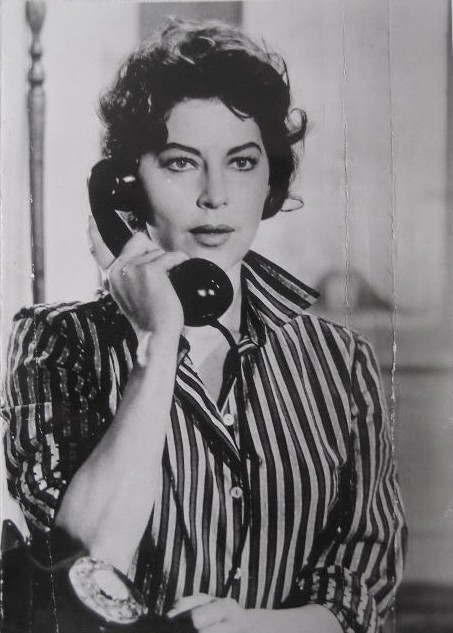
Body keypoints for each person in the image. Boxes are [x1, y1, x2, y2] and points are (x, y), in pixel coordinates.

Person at [1, 18, 406, 633]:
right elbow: (81, 575)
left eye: (241, 162)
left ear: (269, 178)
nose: (216, 195)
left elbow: (363, 593)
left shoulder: (340, 362)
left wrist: (244, 628)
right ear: (125, 186)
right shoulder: (55, 344)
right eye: (181, 163)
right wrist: (156, 343)